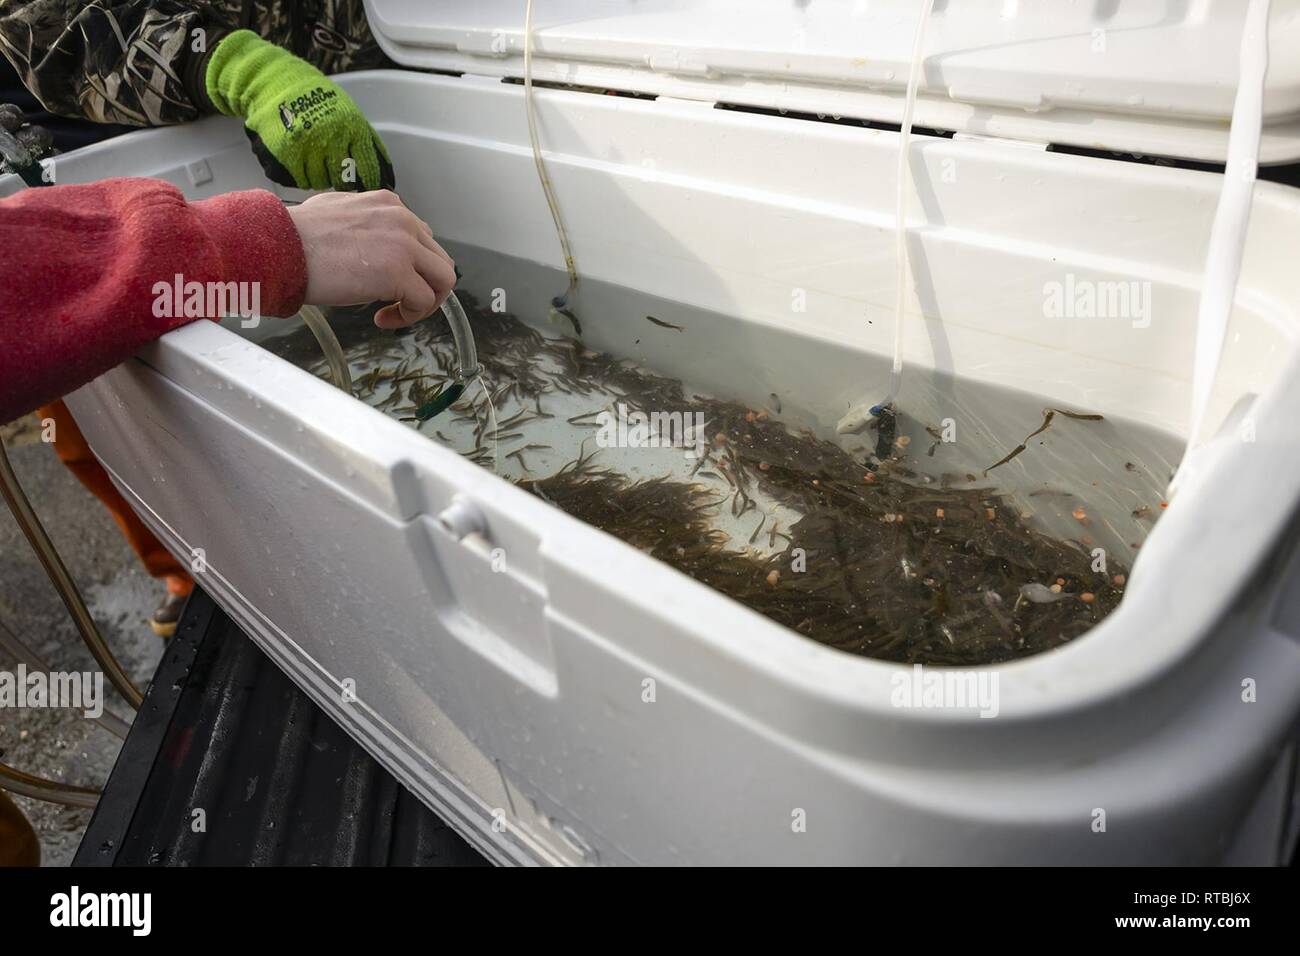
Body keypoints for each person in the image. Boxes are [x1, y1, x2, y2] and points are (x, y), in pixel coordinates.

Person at [1, 1, 397, 631]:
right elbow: (49, 26)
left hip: (309, 117)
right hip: (95, 169)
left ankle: (351, 583)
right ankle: (188, 573)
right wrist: (237, 64)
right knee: (105, 425)